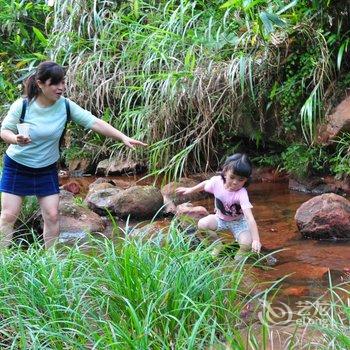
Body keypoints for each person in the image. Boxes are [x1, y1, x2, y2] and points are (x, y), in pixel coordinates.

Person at [0, 61, 147, 249]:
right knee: (8, 215)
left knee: (52, 216)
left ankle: (50, 264)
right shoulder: (23, 106)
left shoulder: (65, 106)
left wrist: (122, 137)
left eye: (62, 82)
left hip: (46, 168)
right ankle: (4, 263)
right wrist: (15, 139)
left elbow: (94, 122)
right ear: (40, 83)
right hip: (18, 166)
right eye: (55, 83)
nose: (61, 87)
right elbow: (4, 130)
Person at [176, 153, 261, 261]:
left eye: (241, 180)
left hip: (238, 222)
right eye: (232, 177)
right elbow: (206, 183)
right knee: (202, 224)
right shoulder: (217, 182)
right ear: (225, 172)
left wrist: (256, 240)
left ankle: (236, 263)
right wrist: (190, 189)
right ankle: (217, 245)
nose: (235, 182)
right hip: (220, 219)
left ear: (246, 180)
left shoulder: (242, 193)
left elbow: (250, 218)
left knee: (246, 244)